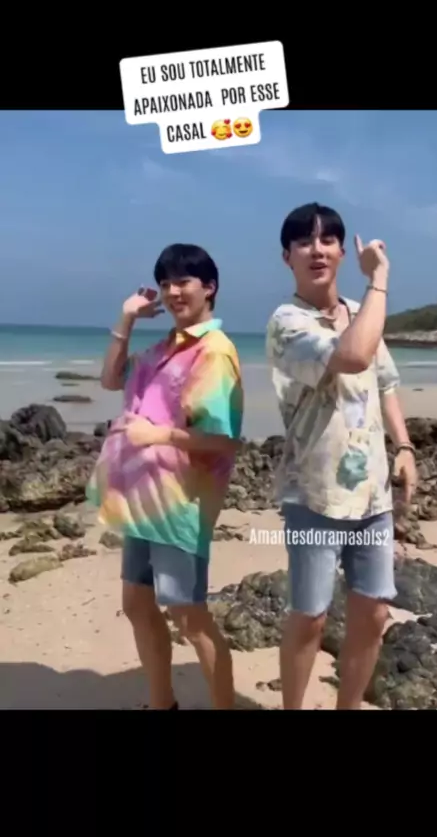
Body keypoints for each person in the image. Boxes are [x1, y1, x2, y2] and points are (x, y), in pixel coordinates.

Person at [265, 203, 417, 710]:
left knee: (373, 613)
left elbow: (385, 381)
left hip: (372, 495)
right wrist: (380, 281)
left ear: (340, 251)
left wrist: (404, 445)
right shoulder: (287, 322)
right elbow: (352, 355)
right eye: (304, 242)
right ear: (287, 256)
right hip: (315, 494)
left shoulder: (360, 310)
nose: (317, 250)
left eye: (327, 240)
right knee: (310, 616)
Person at [86, 244, 244, 710]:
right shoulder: (164, 350)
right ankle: (162, 704)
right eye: (166, 283)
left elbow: (223, 440)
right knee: (137, 603)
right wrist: (127, 319)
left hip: (181, 506)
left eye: (183, 281)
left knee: (188, 615)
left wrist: (158, 435)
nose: (173, 292)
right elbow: (111, 379)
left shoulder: (213, 352)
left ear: (209, 287)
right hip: (142, 501)